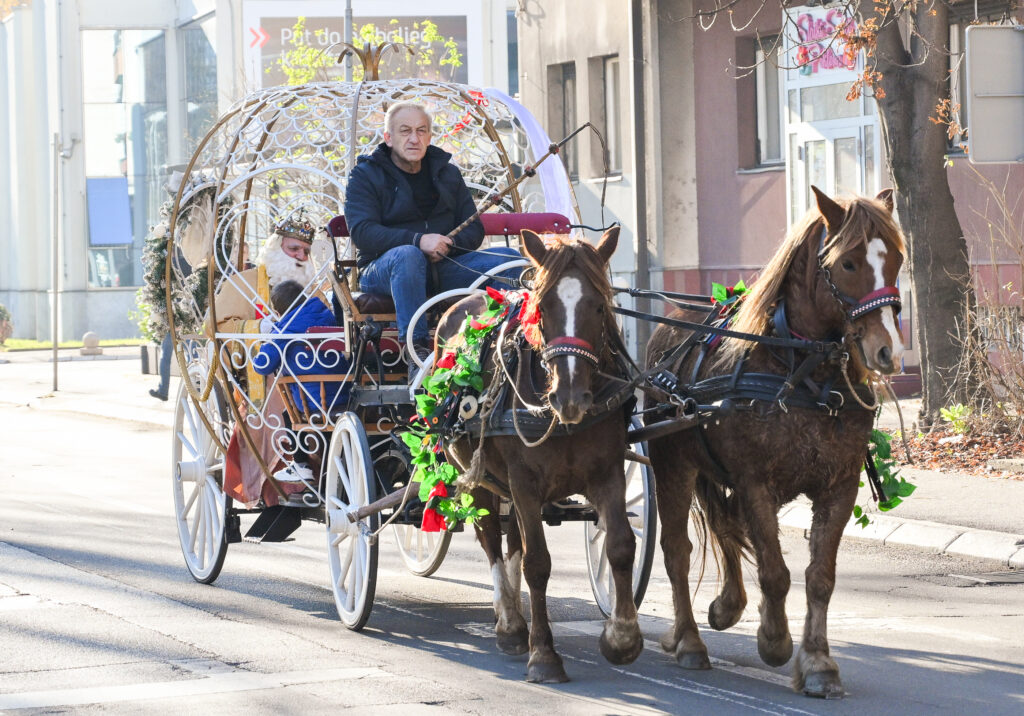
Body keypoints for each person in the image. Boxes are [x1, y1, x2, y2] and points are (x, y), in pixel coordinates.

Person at [344, 101, 522, 359]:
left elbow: (474, 229)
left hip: (444, 266)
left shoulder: (448, 173)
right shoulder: (365, 175)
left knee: (509, 260)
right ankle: (417, 354)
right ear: (388, 138)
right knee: (408, 255)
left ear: (429, 137)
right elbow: (363, 232)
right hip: (383, 270)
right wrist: (418, 241)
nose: (414, 138)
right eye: (405, 131)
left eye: (421, 131)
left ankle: (500, 349)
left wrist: (447, 245)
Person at [253, 280, 351, 483]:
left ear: (278, 311)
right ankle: (332, 468)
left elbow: (262, 365)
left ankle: (301, 465)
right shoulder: (326, 316)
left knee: (289, 413)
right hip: (346, 392)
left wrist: (267, 338)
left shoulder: (286, 329)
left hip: (315, 403)